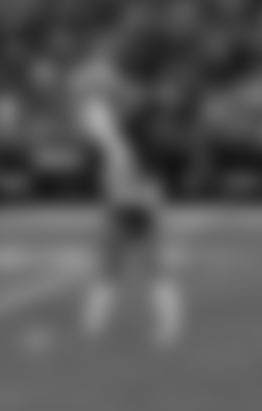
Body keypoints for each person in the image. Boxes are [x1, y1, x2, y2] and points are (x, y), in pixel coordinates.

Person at [74, 54, 183, 349]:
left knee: (126, 263)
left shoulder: (123, 117)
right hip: (136, 192)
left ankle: (97, 324)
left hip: (132, 192)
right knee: (135, 264)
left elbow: (123, 150)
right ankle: (163, 324)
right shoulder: (124, 114)